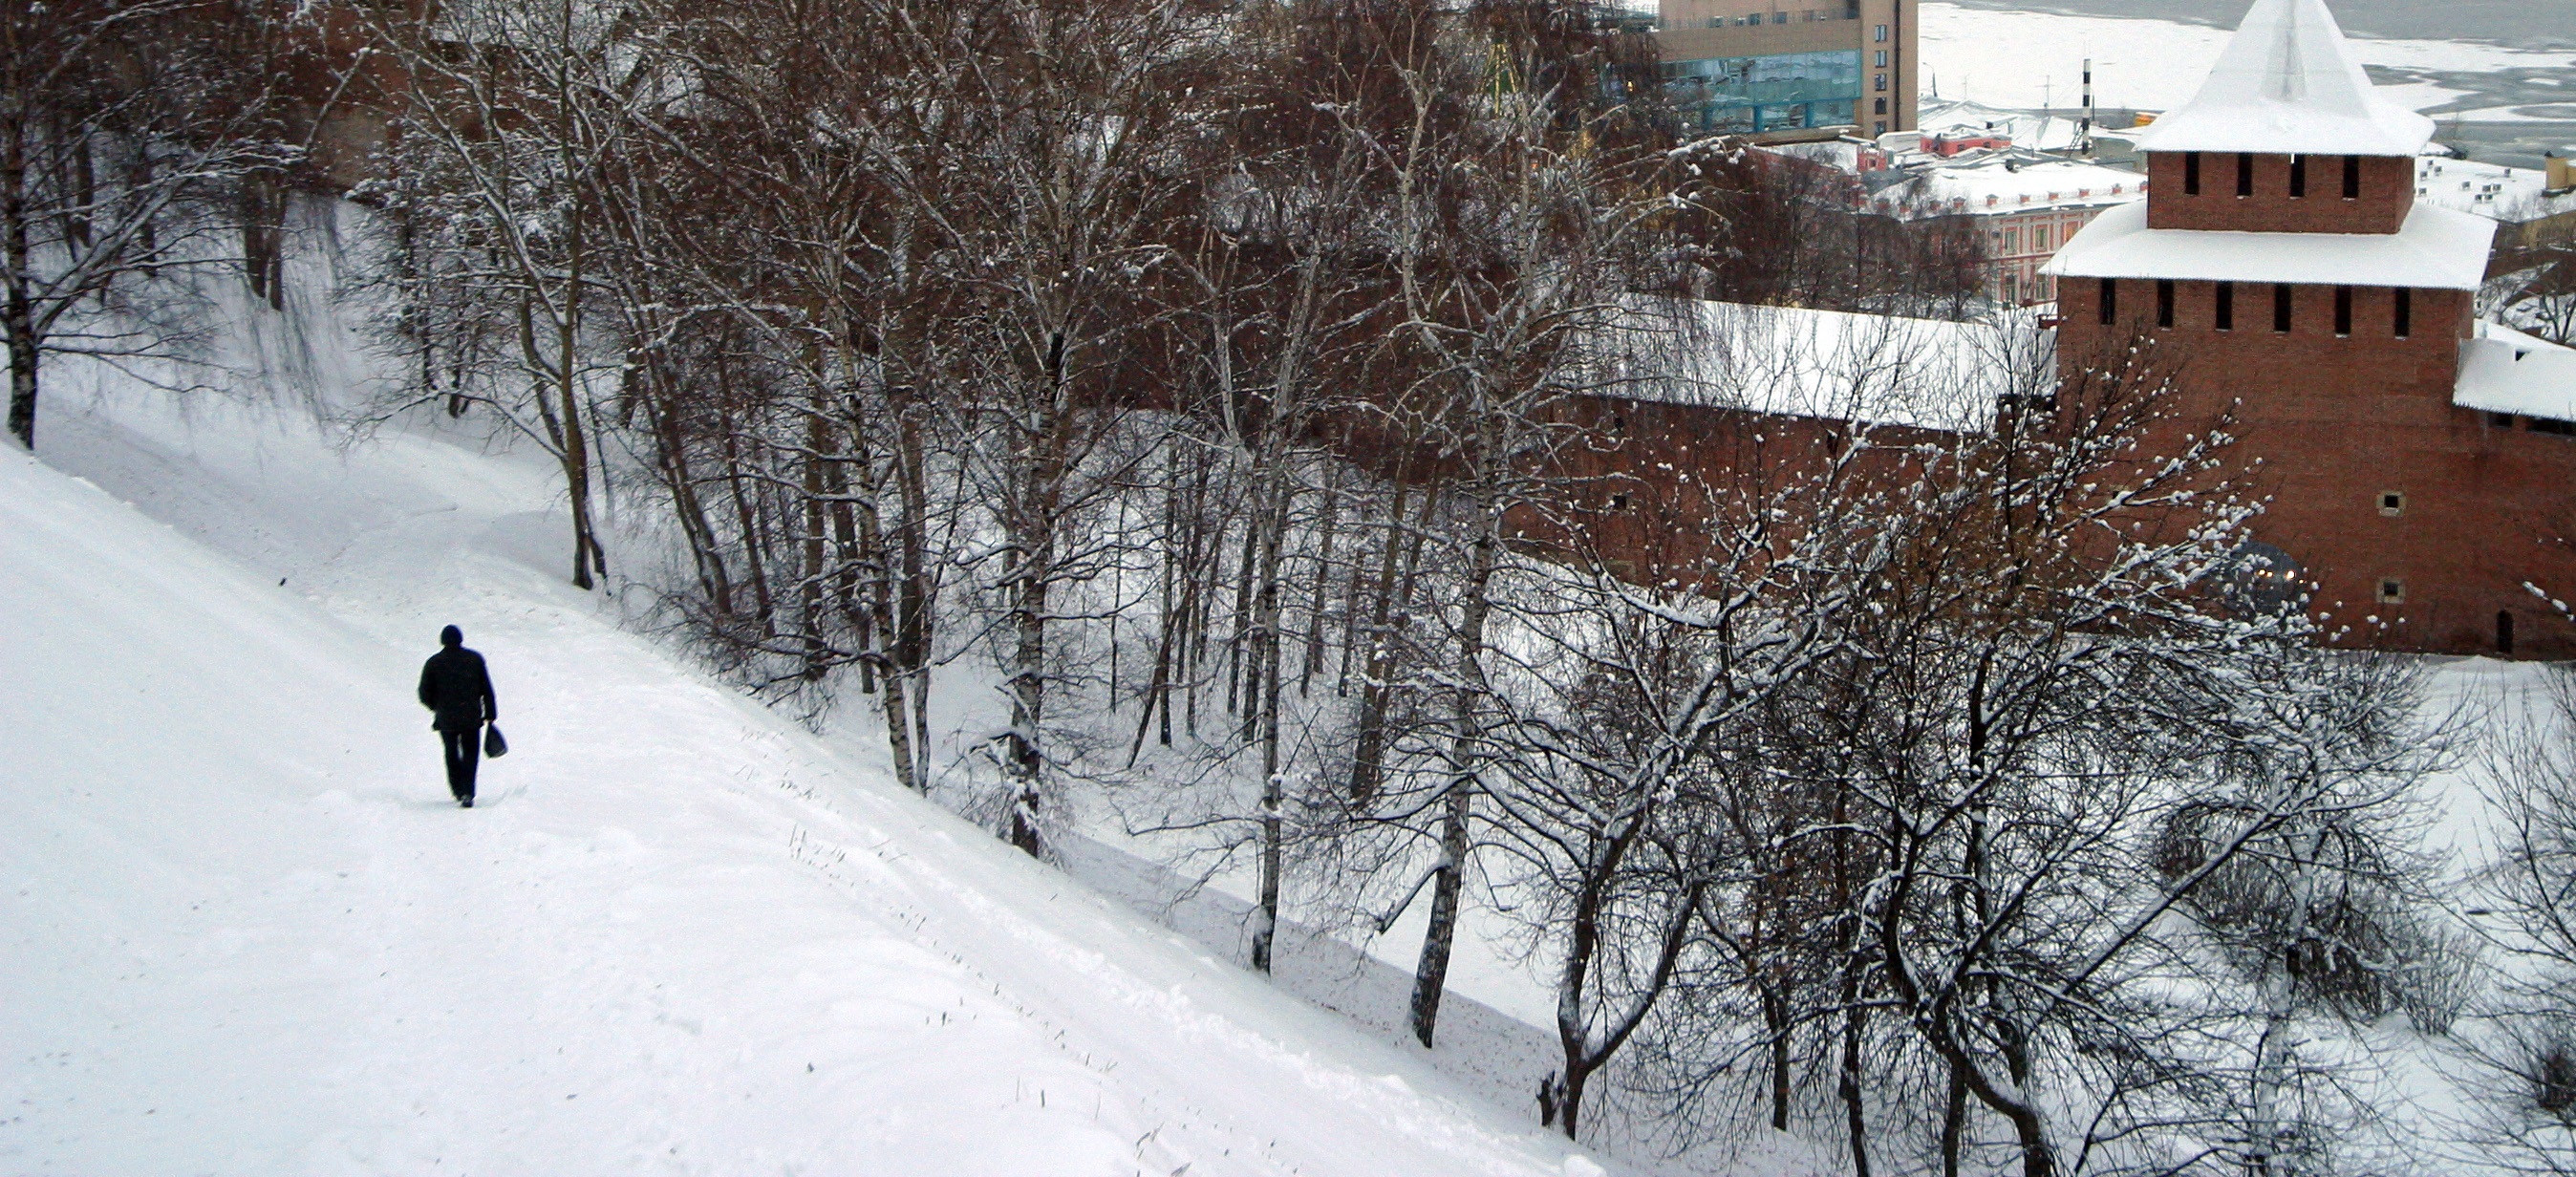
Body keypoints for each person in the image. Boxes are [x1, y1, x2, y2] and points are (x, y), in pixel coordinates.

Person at [418, 625, 497, 807]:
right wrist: (490, 713)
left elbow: (423, 692)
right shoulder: (474, 659)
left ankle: (457, 790)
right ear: (460, 639)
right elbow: (487, 689)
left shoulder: (434, 663)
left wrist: (436, 706)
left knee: (451, 753)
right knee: (471, 753)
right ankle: (468, 791)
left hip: (447, 719)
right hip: (471, 716)